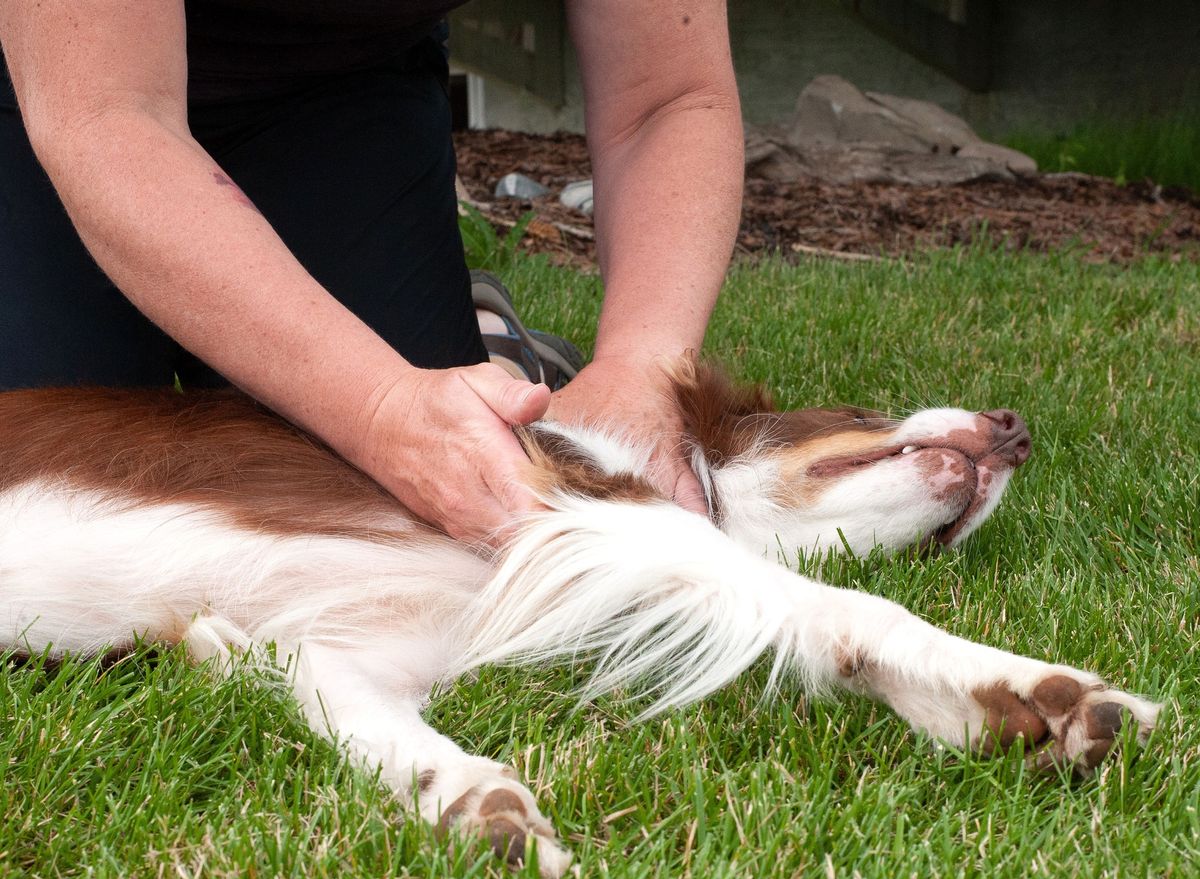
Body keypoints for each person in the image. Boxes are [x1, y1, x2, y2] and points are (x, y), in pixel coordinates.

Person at [0, 1, 744, 543]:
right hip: (50, 88)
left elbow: (668, 96)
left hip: (337, 87)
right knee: (42, 515)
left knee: (418, 522)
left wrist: (644, 360)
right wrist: (384, 406)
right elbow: (104, 114)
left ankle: (505, 356)